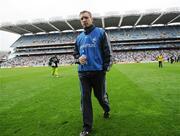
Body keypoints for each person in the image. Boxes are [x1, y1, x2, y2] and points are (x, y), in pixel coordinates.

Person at [73, 10, 112, 136]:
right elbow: (75, 54)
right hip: (83, 73)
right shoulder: (79, 38)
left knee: (100, 96)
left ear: (91, 18)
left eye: (86, 17)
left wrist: (105, 68)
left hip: (98, 72)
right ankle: (87, 127)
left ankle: (106, 108)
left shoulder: (101, 33)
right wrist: (78, 59)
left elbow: (108, 51)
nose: (84, 20)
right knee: (85, 99)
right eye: (81, 19)